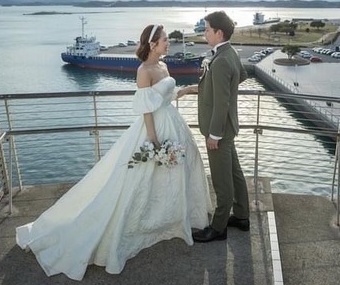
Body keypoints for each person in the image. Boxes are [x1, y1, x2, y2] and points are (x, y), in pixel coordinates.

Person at [16, 23, 212, 280]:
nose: (169, 43)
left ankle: (172, 217)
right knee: (141, 178)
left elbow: (163, 96)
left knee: (176, 171)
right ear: (153, 44)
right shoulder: (143, 70)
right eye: (165, 40)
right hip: (155, 129)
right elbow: (146, 108)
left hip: (172, 121)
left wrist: (186, 90)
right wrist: (154, 142)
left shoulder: (163, 66)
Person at [192, 10, 250, 243]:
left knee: (221, 180)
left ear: (219, 32)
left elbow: (222, 102)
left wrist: (214, 134)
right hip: (228, 128)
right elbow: (242, 76)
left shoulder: (222, 60)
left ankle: (218, 227)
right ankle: (242, 215)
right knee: (235, 174)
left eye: (207, 29)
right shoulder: (230, 53)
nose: (204, 33)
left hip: (220, 131)